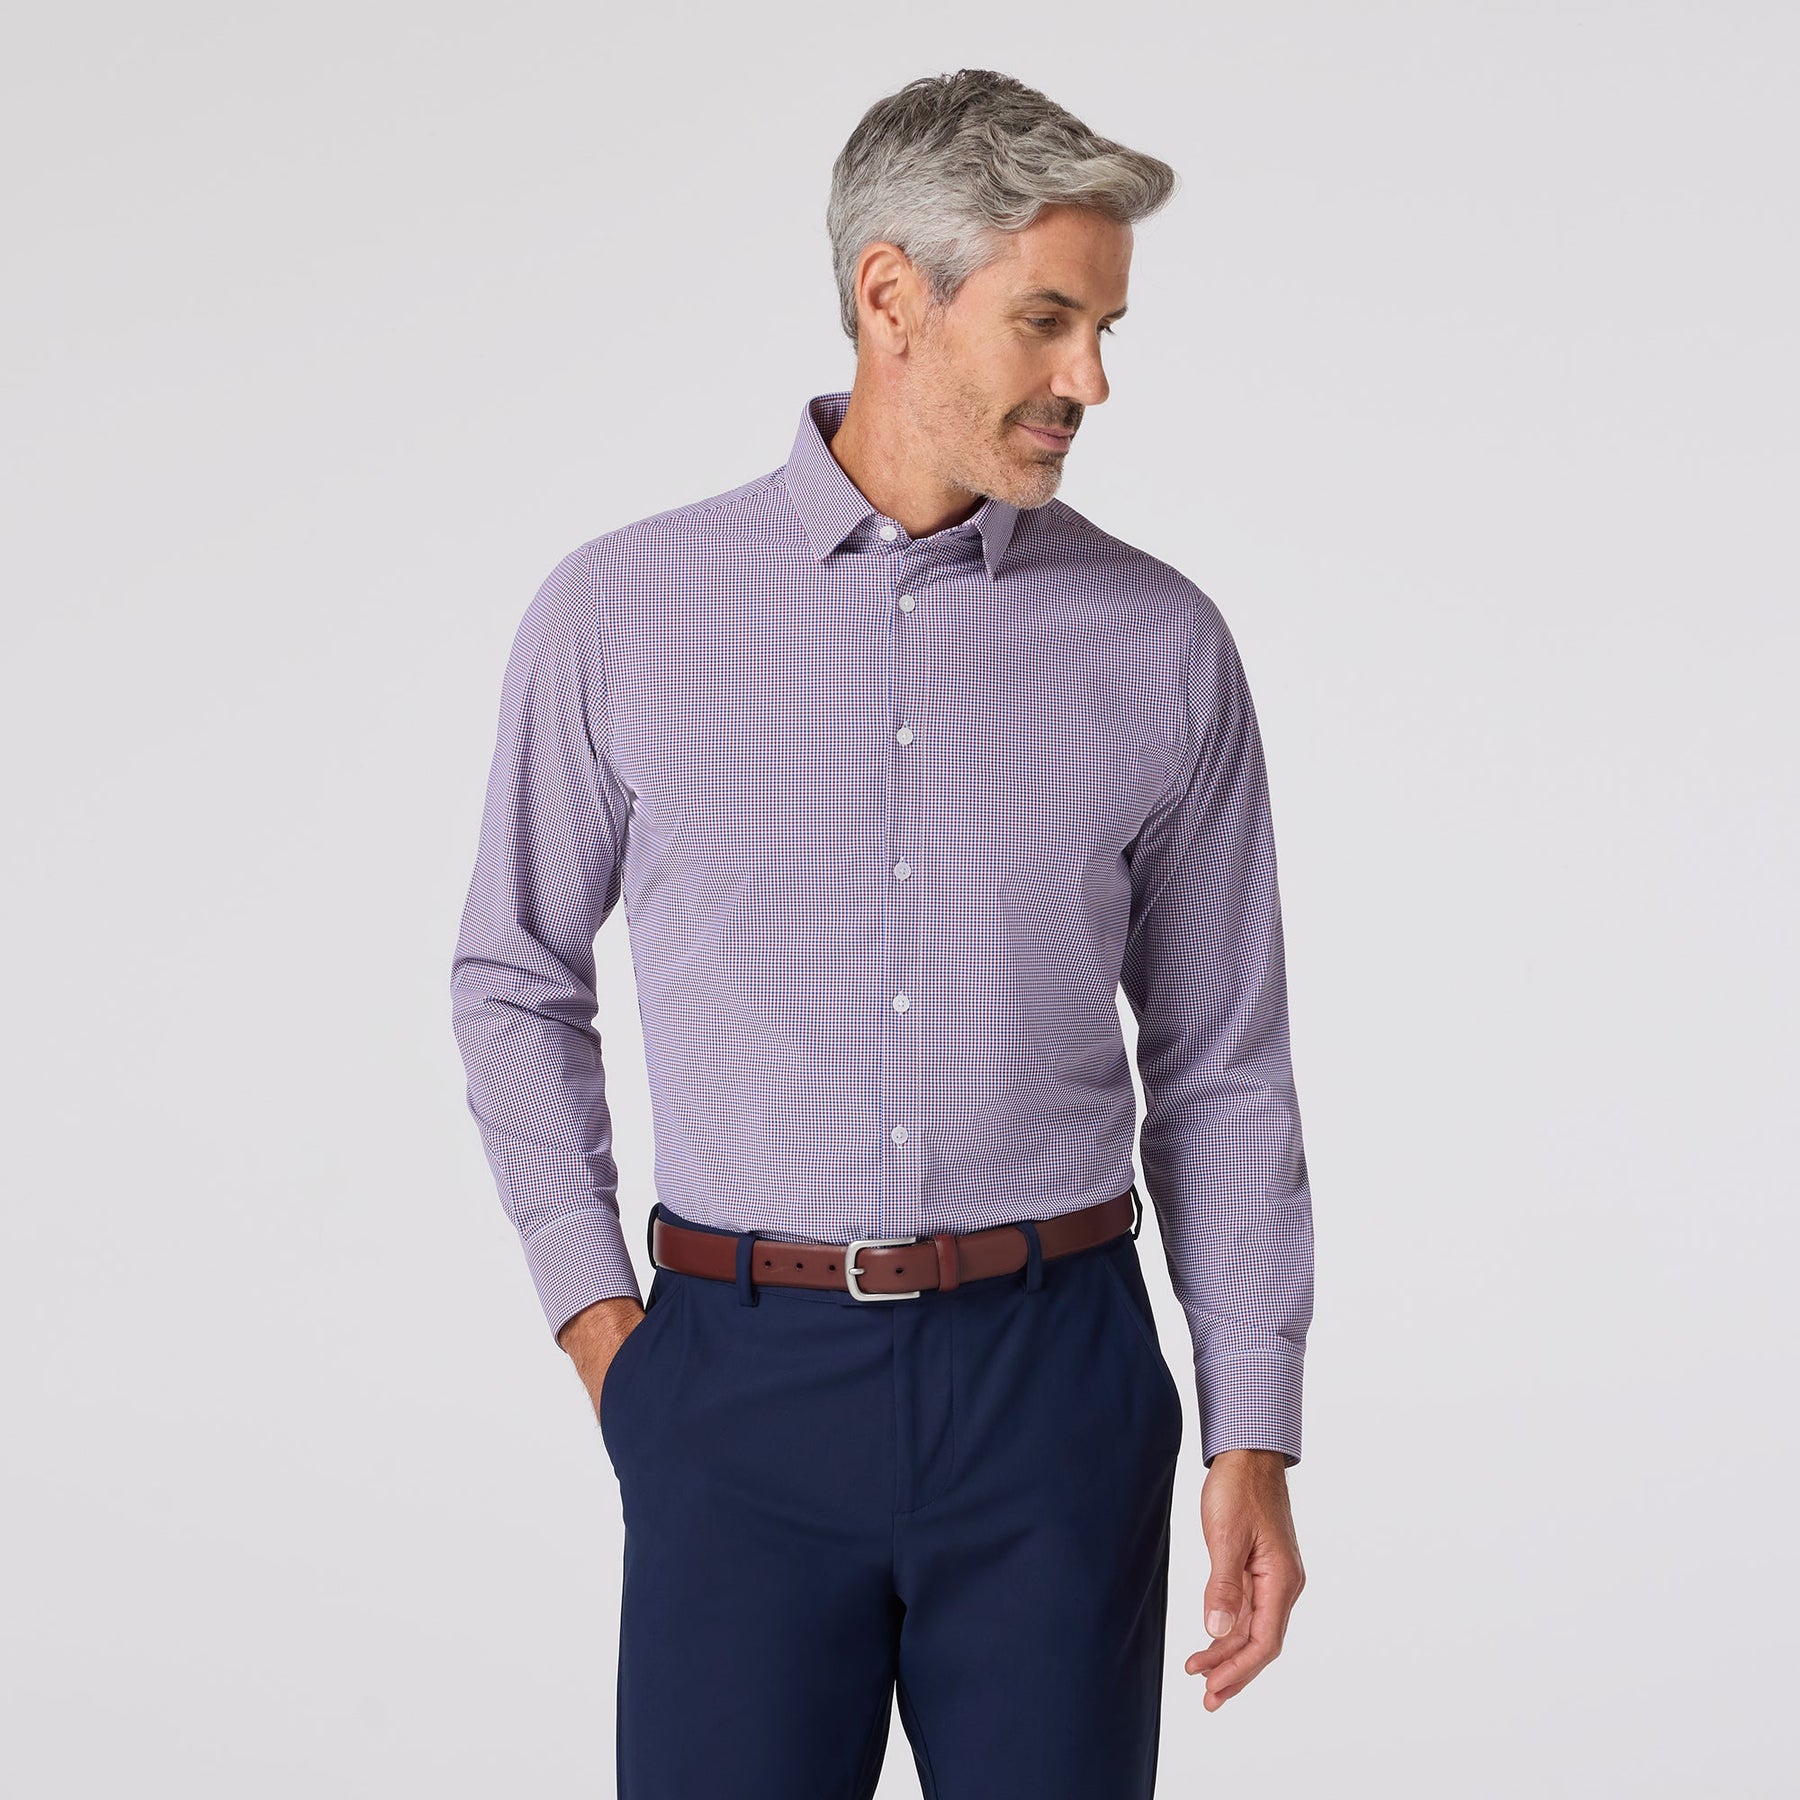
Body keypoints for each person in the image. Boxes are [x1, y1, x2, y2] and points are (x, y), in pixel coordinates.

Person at [450, 66, 1314, 1800]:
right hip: (734, 1388)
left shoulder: (1159, 641)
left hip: (1056, 1388)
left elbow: (1222, 1065)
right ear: (892, 296)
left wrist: (1253, 1426)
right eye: (1049, 320)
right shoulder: (622, 613)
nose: (1090, 380)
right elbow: (513, 979)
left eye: (1106, 329)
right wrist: (611, 1343)